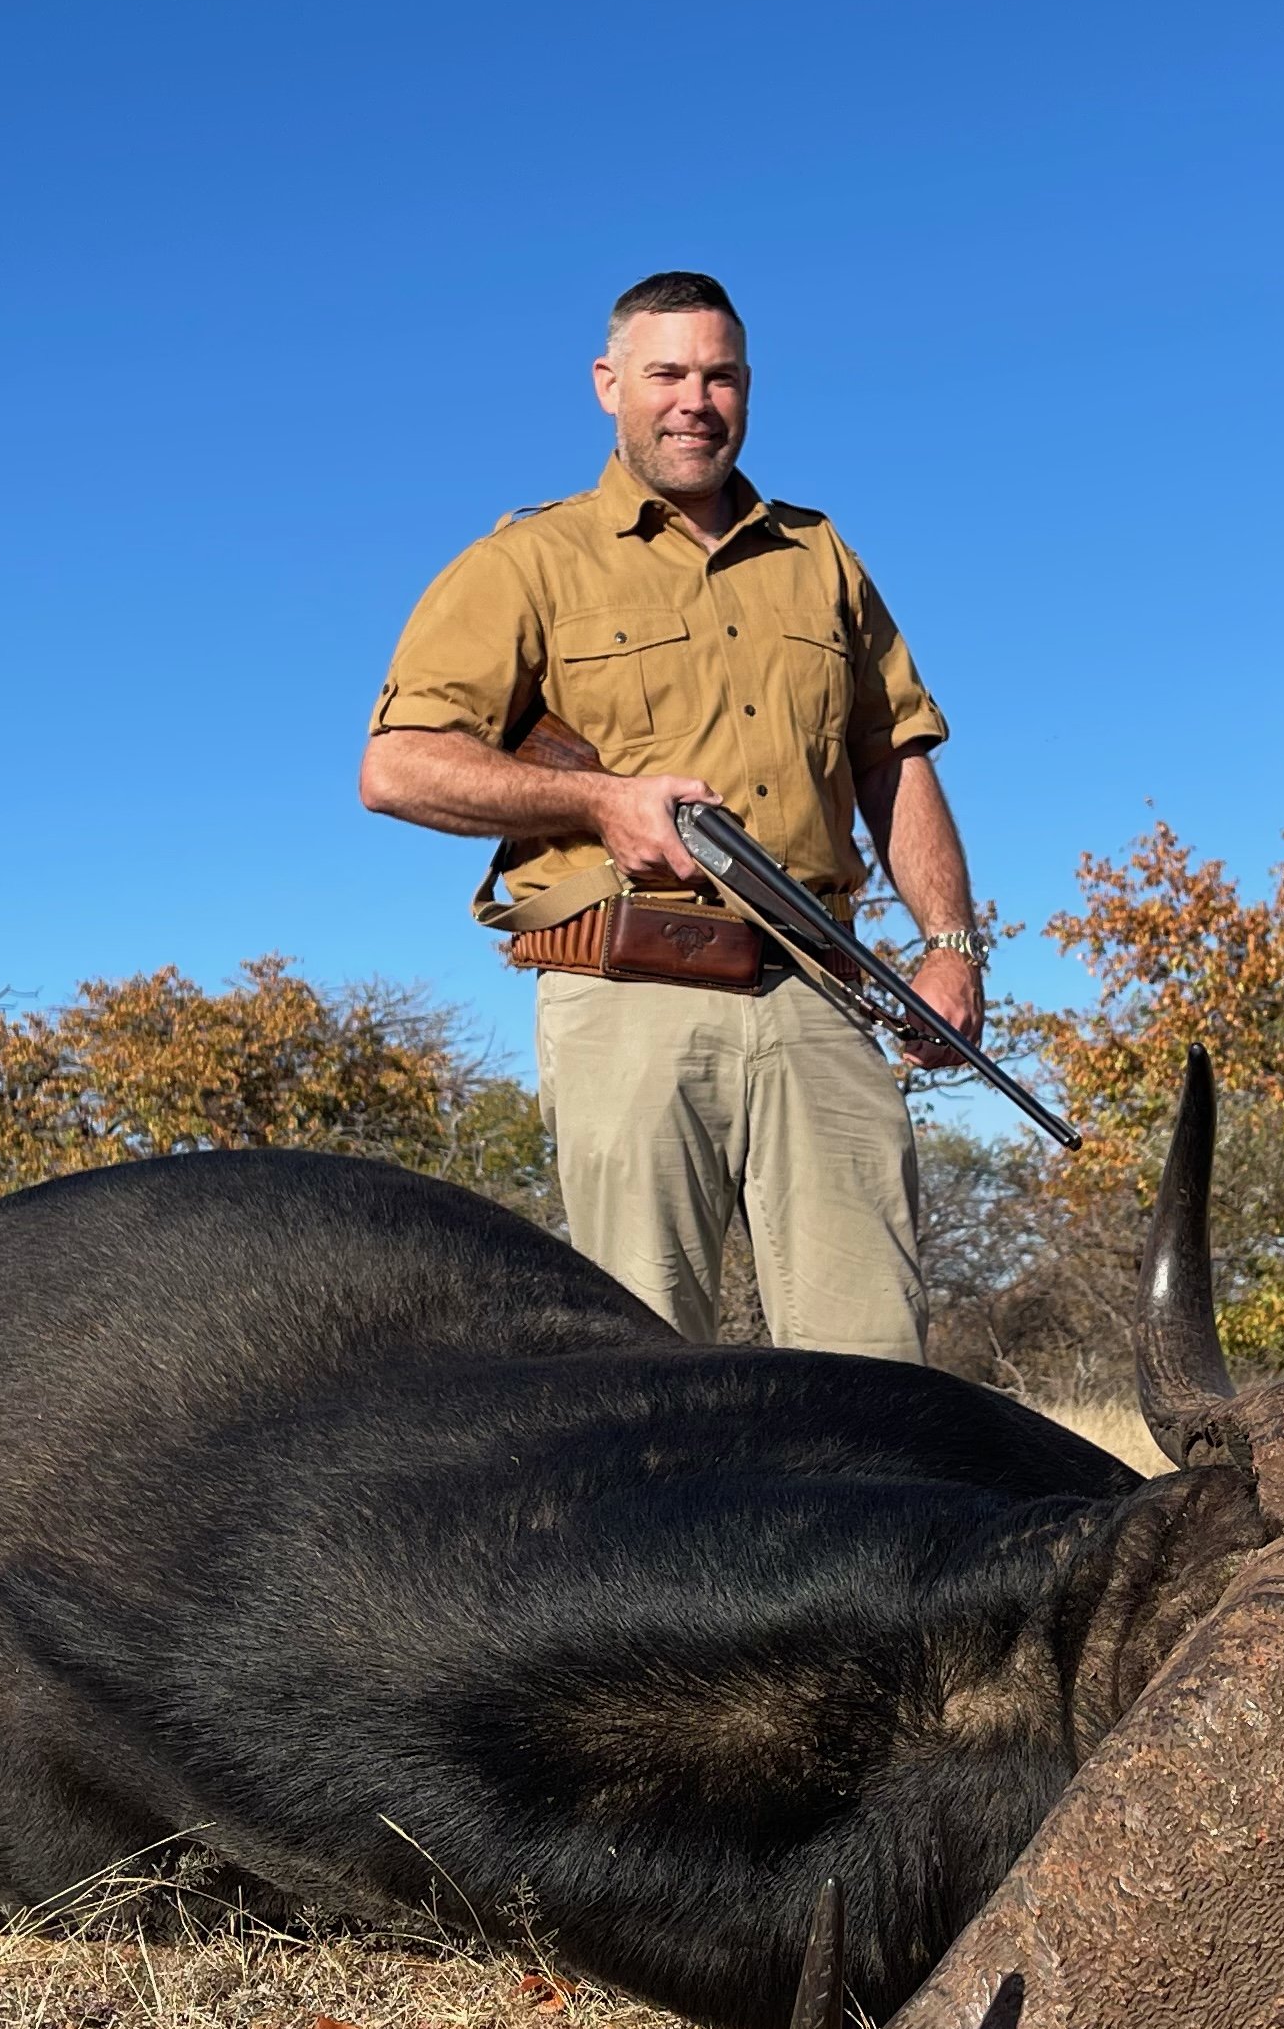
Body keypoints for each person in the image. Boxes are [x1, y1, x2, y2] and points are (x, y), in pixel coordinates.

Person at [359, 271, 985, 1360]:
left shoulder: (822, 557)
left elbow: (897, 758)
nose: (695, 399)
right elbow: (399, 768)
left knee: (880, 1368)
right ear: (610, 385)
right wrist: (600, 800)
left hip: (823, 989)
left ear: (748, 389)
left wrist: (949, 949)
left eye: (721, 375)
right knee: (644, 1369)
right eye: (667, 373)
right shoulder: (526, 561)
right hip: (629, 987)